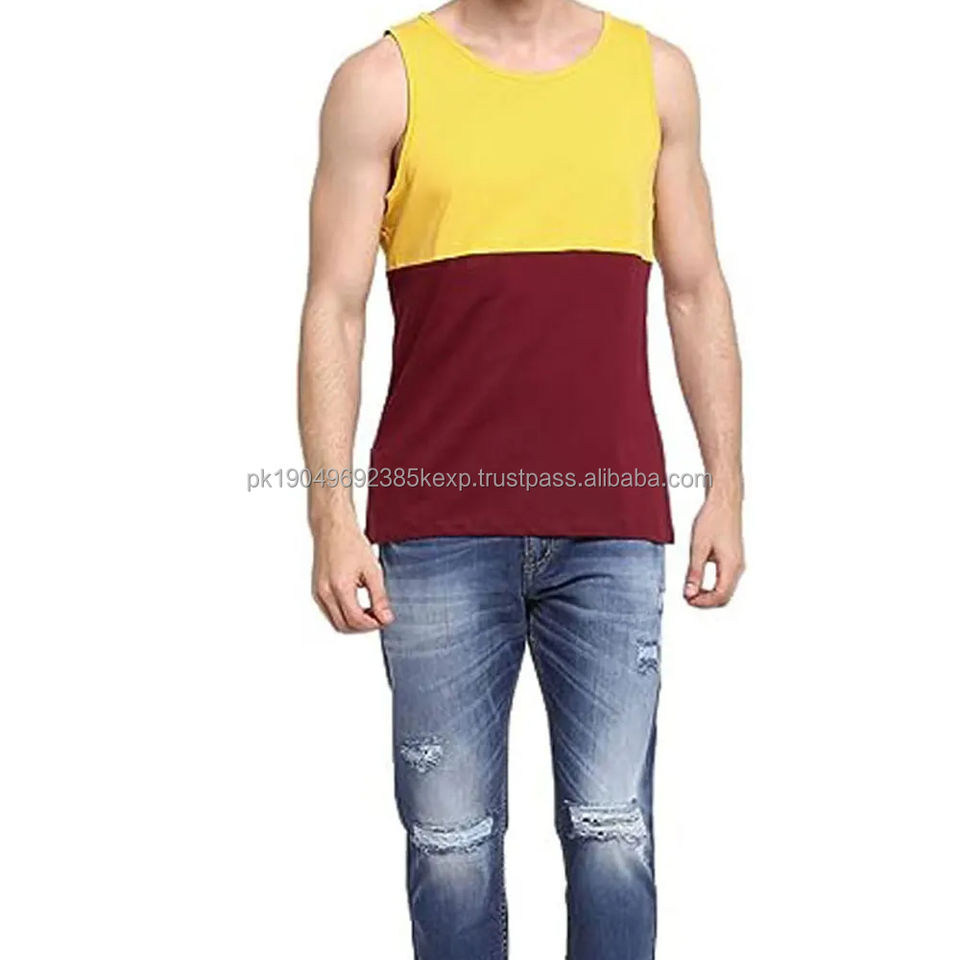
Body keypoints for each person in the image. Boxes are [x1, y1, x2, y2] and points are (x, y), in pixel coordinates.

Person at [298, 2, 744, 957]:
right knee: (449, 846)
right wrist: (329, 515)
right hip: (438, 529)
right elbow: (335, 305)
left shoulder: (654, 76)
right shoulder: (383, 82)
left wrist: (727, 487)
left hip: (612, 524)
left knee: (614, 834)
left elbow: (696, 286)